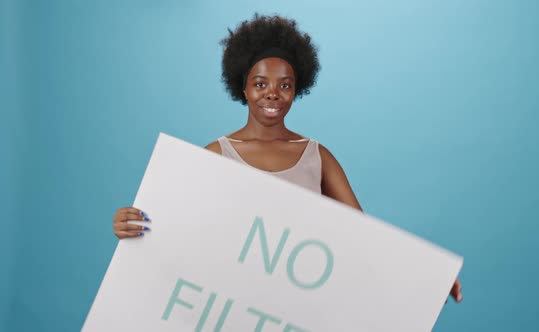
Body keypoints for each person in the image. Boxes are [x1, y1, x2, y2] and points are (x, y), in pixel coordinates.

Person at [111, 14, 463, 303]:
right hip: (232, 307)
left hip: (298, 312)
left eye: (285, 84)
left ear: (298, 89)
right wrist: (130, 224)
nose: (273, 94)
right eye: (261, 83)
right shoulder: (216, 155)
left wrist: (428, 276)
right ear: (243, 87)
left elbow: (365, 235)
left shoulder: (316, 156)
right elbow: (173, 225)